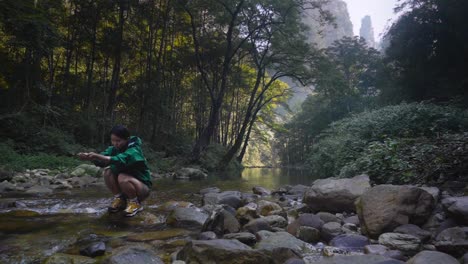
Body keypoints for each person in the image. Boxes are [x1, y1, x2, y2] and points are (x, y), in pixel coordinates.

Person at [77, 125, 152, 217]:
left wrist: (97, 156)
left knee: (122, 177)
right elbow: (102, 161)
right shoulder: (113, 149)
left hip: (142, 188)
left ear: (127, 139)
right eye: (113, 140)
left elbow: (119, 159)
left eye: (118, 141)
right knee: (108, 171)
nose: (115, 143)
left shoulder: (134, 151)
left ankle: (135, 203)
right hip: (126, 187)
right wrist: (90, 158)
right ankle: (120, 199)